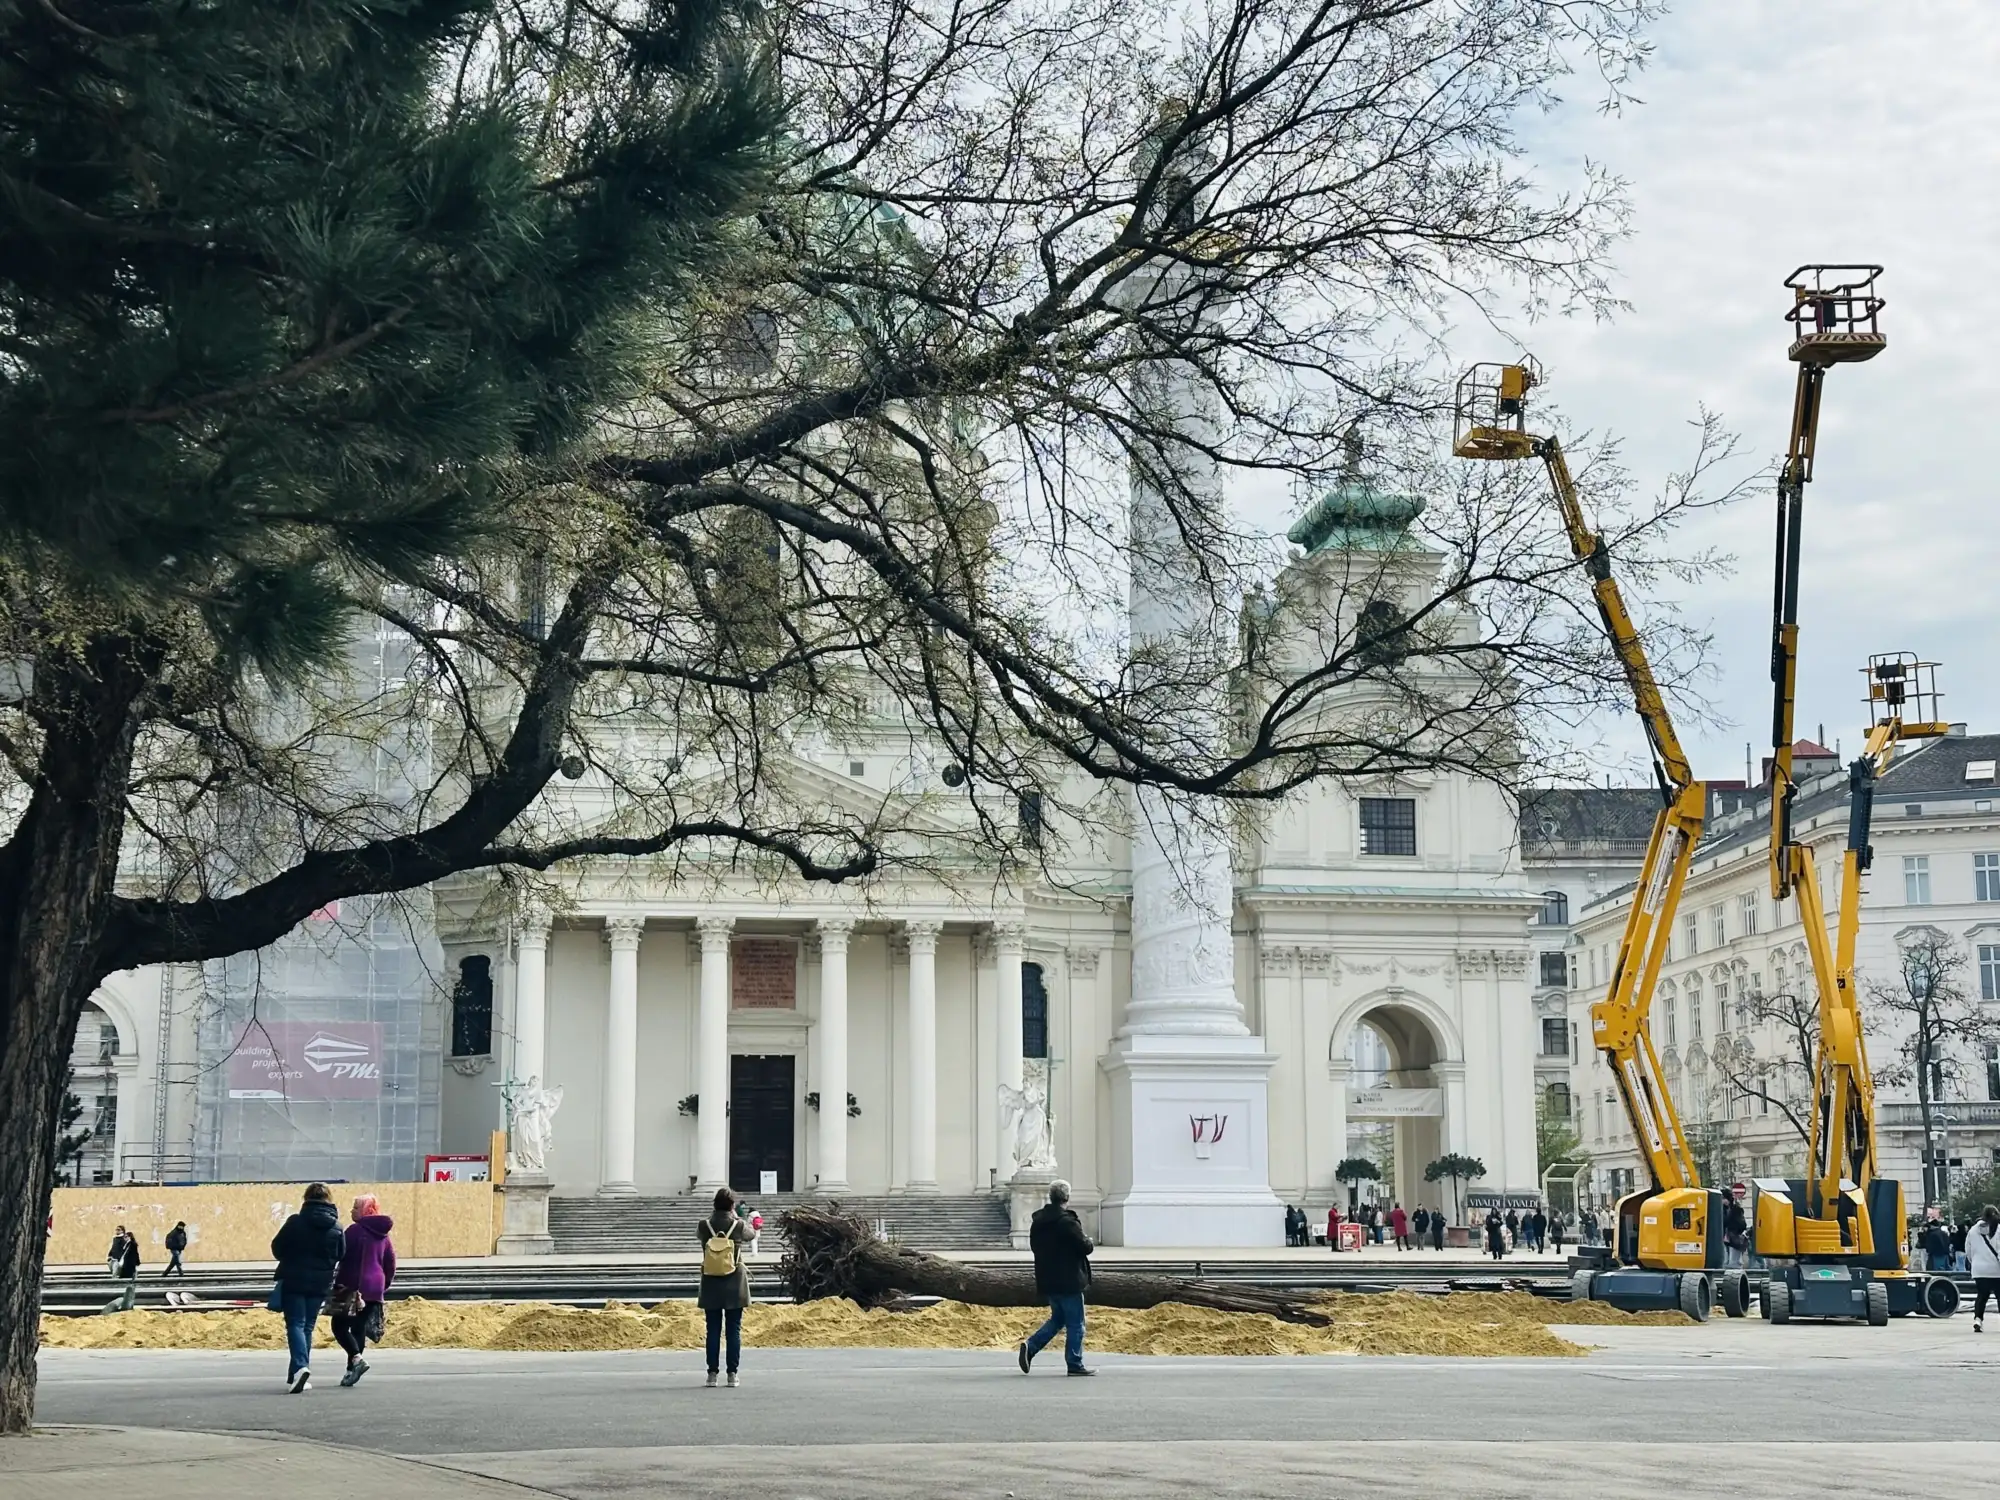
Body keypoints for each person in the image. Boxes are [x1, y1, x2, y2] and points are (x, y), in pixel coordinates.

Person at [271, 1183, 346, 1393]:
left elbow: (277, 1248)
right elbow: (340, 1254)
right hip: (320, 1282)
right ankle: (297, 1373)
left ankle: (300, 1368)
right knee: (307, 1327)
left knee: (295, 1323)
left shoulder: (295, 1222)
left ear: (306, 1198)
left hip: (294, 1279)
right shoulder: (337, 1227)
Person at [1018, 1178, 1094, 1377]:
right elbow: (1084, 1247)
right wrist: (1089, 1242)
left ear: (1051, 1197)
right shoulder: (1067, 1221)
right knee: (1076, 1323)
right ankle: (1075, 1363)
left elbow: (1036, 1248)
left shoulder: (1038, 1222)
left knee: (1058, 1319)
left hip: (1048, 1279)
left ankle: (1031, 1346)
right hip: (1069, 1279)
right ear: (1066, 1197)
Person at [330, 1194, 397, 1387]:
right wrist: (383, 1286)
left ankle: (356, 1360)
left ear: (365, 1211)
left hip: (351, 1285)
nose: (351, 1211)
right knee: (358, 1327)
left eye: (355, 1208)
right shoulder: (384, 1235)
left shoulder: (353, 1231)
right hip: (374, 1287)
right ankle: (351, 1370)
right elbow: (390, 1263)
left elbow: (339, 1255)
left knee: (339, 1326)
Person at [697, 1187, 755, 1387]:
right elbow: (751, 1234)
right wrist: (737, 1216)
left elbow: (699, 1236)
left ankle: (712, 1374)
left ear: (714, 1204)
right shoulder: (738, 1225)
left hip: (711, 1281)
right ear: (732, 1205)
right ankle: (732, 1374)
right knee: (733, 1330)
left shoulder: (704, 1225)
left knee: (712, 1329)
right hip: (734, 1282)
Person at [1969, 1206, 2000, 1333]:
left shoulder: (1973, 1230)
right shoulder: (1998, 1229)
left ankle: (1978, 1319)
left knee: (1982, 1296)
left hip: (1979, 1270)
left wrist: (1974, 1262)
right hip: (1996, 1270)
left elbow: (1968, 1250)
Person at [101, 1228, 141, 1312]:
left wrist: (136, 1262)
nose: (125, 1238)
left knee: (127, 1275)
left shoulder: (131, 1244)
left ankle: (125, 1285)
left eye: (126, 1236)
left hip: (129, 1263)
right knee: (126, 1275)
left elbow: (134, 1254)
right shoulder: (125, 1243)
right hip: (125, 1263)